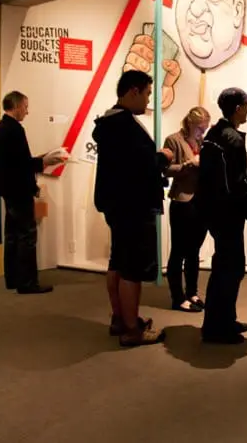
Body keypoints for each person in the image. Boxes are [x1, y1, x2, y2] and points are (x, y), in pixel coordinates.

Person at [93, 70, 173, 347]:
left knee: (118, 261)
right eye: (148, 93)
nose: (149, 100)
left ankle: (121, 318)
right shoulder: (123, 125)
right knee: (132, 269)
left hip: (118, 204)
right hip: (132, 206)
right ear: (133, 91)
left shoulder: (110, 122)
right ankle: (131, 329)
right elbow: (137, 167)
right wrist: (162, 157)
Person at [197, 87, 247, 344]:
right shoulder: (232, 139)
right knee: (230, 269)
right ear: (237, 109)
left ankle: (224, 320)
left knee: (225, 266)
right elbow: (235, 183)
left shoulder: (214, 133)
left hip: (216, 212)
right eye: (246, 104)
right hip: (229, 213)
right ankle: (217, 327)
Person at [0, 91, 67, 294]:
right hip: (19, 190)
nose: (27, 111)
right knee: (26, 236)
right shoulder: (14, 130)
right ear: (15, 106)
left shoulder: (1, 129)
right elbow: (21, 165)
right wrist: (44, 162)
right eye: (25, 106)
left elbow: (14, 162)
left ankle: (13, 278)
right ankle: (27, 283)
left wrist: (40, 159)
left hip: (8, 190)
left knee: (13, 235)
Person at [163, 106, 211, 312]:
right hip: (182, 201)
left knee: (194, 251)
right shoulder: (173, 140)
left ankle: (192, 292)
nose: (202, 132)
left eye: (205, 129)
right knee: (179, 251)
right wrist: (189, 164)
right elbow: (165, 169)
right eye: (200, 128)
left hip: (201, 201)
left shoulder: (203, 141)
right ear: (190, 123)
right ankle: (177, 297)